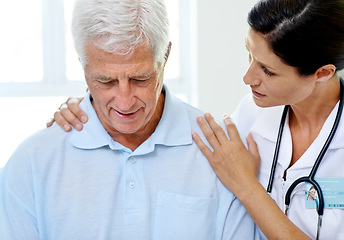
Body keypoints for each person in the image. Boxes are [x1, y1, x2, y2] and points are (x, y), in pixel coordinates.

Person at [50, 0, 344, 239]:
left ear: (322, 73)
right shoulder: (250, 117)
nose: (247, 77)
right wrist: (93, 103)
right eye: (249, 55)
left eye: (268, 71)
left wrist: (246, 185)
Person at [0, 0, 259, 239]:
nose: (125, 101)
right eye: (105, 81)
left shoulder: (221, 151)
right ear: (83, 66)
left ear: (165, 57)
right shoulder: (34, 161)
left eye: (140, 78)